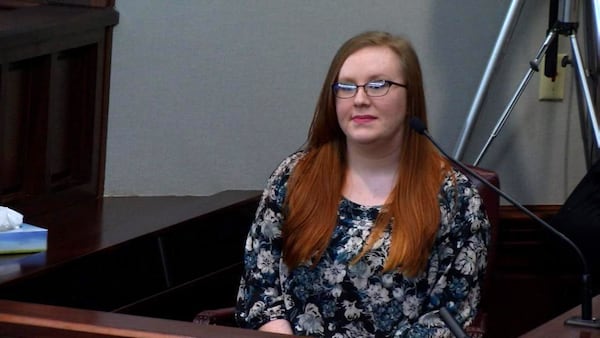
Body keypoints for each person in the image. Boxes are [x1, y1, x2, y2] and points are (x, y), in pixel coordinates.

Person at [235, 31, 491, 337]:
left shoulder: (455, 196)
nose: (359, 99)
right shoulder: (294, 176)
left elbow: (449, 316)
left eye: (378, 85)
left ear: (411, 97)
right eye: (346, 87)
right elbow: (260, 291)